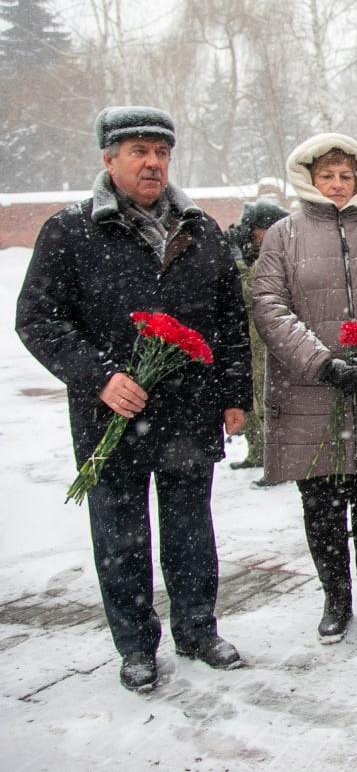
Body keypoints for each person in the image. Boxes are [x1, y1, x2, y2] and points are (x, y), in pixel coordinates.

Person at [16, 106, 251, 693]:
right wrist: (98, 375)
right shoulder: (71, 231)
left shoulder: (199, 230)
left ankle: (197, 629)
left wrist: (233, 393)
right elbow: (37, 320)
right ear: (109, 159)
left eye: (161, 152)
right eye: (138, 151)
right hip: (111, 417)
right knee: (120, 537)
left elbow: (228, 321)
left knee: (191, 532)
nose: (152, 162)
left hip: (189, 413)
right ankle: (136, 645)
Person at [252, 133, 357, 643]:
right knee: (322, 504)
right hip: (312, 393)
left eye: (345, 176)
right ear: (309, 179)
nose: (336, 185)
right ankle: (335, 598)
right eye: (326, 176)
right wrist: (320, 362)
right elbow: (270, 306)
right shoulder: (283, 237)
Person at [227, 198, 289, 475]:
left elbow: (259, 291)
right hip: (246, 334)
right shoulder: (244, 250)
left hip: (268, 335)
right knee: (250, 395)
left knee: (268, 397)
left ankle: (276, 460)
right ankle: (257, 452)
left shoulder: (278, 250)